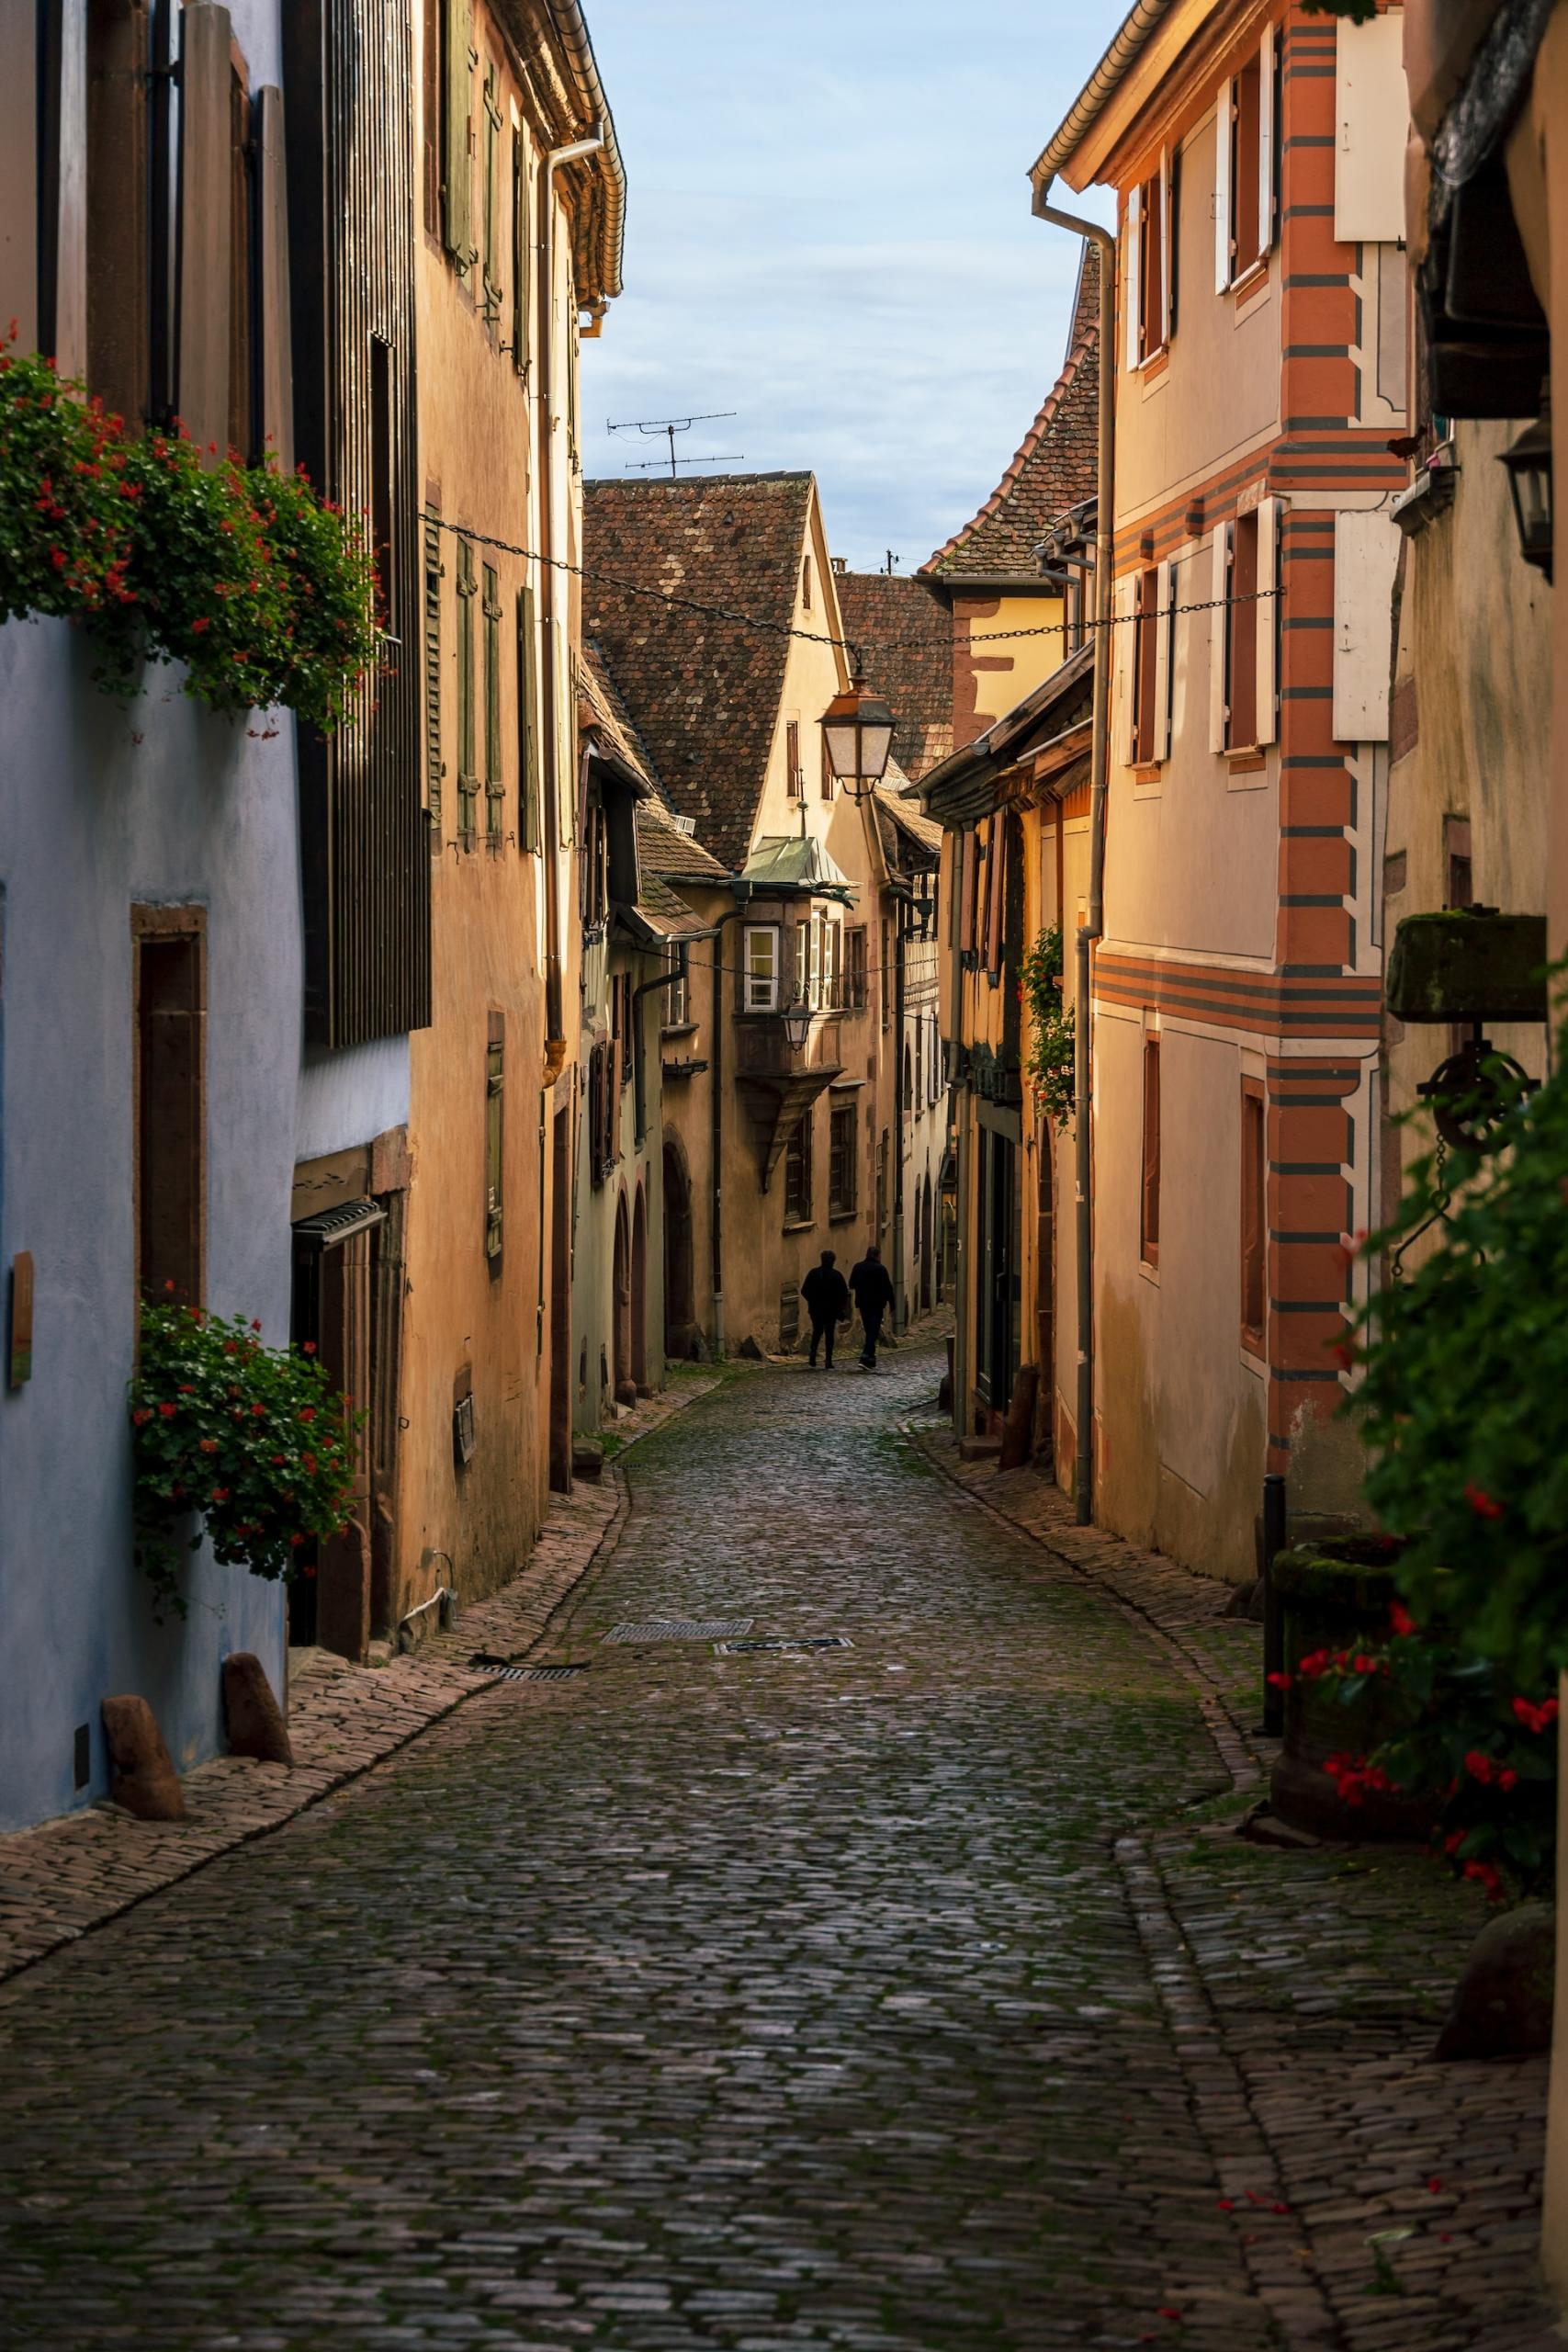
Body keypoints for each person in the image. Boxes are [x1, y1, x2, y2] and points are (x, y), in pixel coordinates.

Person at [799, 1250, 850, 1370]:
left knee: (817, 1331)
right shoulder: (837, 1275)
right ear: (833, 1261)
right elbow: (844, 1293)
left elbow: (804, 1290)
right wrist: (841, 1307)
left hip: (816, 1309)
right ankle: (828, 1360)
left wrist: (812, 1300)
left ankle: (813, 1353)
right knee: (829, 1333)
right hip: (831, 1310)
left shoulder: (814, 1273)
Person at [848, 1243, 896, 1370]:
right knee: (873, 1331)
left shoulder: (858, 1267)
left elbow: (851, 1284)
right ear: (877, 1256)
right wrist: (892, 1305)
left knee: (870, 1330)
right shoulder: (881, 1269)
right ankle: (864, 1357)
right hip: (877, 1304)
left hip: (863, 1304)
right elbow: (888, 1288)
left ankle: (871, 1359)